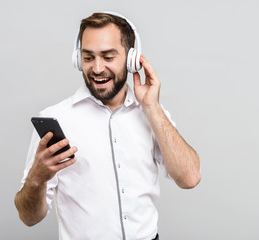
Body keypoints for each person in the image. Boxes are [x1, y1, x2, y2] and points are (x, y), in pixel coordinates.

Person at [14, 12, 201, 240]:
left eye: (108, 57)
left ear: (132, 59)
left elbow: (190, 178)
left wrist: (152, 107)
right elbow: (28, 217)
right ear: (77, 59)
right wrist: (37, 178)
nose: (97, 68)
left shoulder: (152, 114)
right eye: (88, 57)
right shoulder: (56, 119)